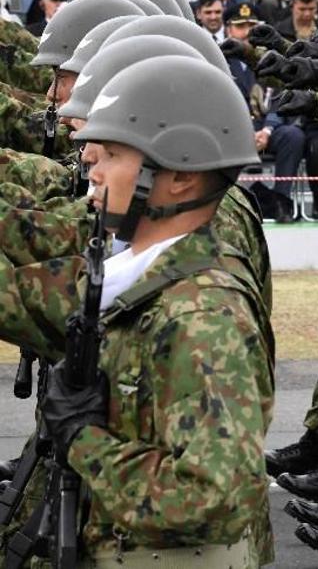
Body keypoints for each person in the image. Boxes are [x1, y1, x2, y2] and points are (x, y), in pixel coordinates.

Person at [26, 53, 274, 567]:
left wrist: (84, 440)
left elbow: (212, 497)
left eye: (114, 153)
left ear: (179, 176)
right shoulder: (151, 282)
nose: (91, 163)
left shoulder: (202, 317)